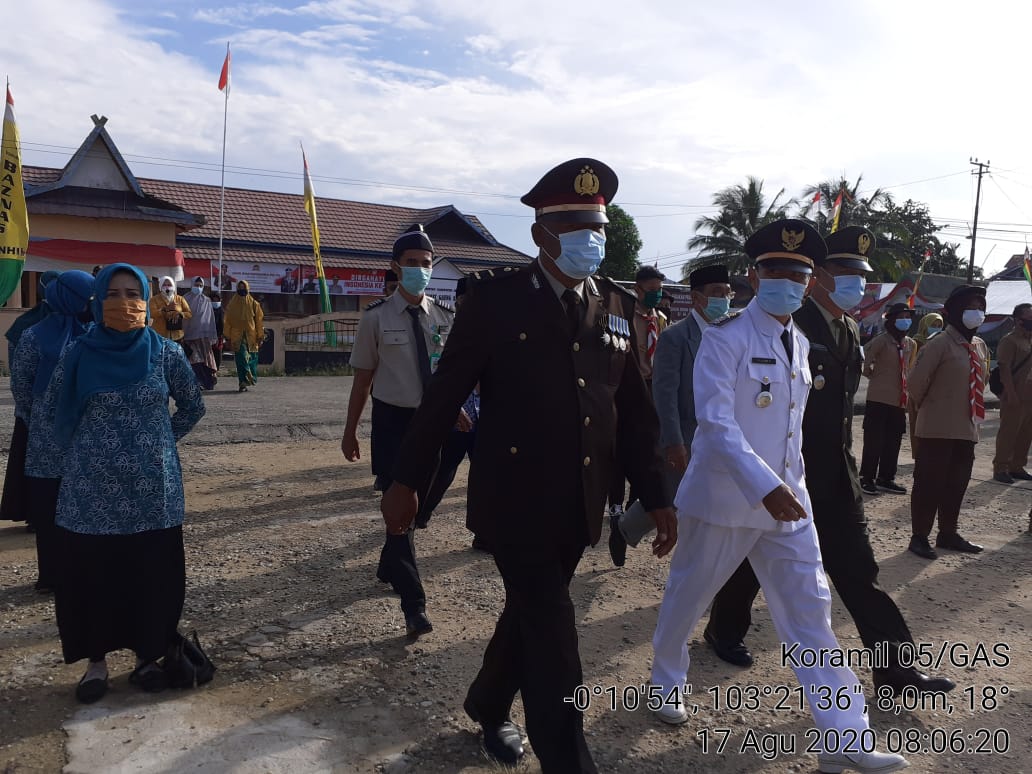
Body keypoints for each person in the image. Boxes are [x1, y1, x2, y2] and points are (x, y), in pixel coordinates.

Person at [382, 158, 675, 773]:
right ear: (542, 234)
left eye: (598, 225)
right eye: (576, 227)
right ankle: (569, 761)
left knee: (532, 614)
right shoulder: (496, 303)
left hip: (581, 501)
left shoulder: (617, 305)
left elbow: (635, 412)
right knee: (555, 638)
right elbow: (441, 399)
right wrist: (408, 480)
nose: (592, 238)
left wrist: (658, 494)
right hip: (516, 502)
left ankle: (487, 702)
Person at [650, 220, 908, 774]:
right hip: (726, 500)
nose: (788, 281)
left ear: (811, 281)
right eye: (776, 271)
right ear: (754, 275)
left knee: (810, 613)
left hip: (790, 503)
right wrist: (764, 486)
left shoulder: (800, 342)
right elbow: (716, 426)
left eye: (799, 273)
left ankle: (845, 739)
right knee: (688, 597)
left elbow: (790, 428)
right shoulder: (724, 341)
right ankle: (665, 680)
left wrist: (787, 489)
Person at [705, 226, 954, 699]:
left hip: (836, 474)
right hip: (782, 473)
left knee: (859, 570)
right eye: (842, 272)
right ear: (816, 276)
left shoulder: (850, 329)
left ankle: (896, 672)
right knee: (747, 564)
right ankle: (723, 629)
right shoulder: (789, 324)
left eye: (858, 275)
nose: (853, 284)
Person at [45, 263, 204, 703]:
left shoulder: (165, 354)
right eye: (112, 294)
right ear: (96, 301)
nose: (123, 303)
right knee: (93, 577)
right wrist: (81, 454)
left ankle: (148, 657)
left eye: (132, 293)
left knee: (151, 577)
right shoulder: (77, 353)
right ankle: (96, 663)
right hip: (89, 493)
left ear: (145, 299)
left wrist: (160, 443)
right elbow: (52, 410)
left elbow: (193, 406)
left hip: (154, 493)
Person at [341, 225, 462, 638]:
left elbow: (448, 375)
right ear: (396, 267)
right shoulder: (375, 318)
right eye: (412, 264)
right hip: (393, 423)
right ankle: (414, 604)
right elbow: (362, 381)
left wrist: (457, 407)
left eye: (426, 265)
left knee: (411, 511)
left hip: (433, 423)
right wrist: (350, 430)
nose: (420, 271)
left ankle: (389, 560)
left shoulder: (444, 318)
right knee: (401, 508)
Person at [10, 271, 95, 592]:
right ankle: (52, 578)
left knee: (84, 513)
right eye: (88, 297)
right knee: (49, 516)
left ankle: (79, 576)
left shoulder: (95, 335)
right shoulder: (34, 337)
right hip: (51, 447)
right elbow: (21, 387)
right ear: (72, 298)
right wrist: (42, 418)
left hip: (79, 445)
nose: (93, 303)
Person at [907, 284, 989, 559]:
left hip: (967, 429)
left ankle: (948, 533)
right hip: (937, 428)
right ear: (954, 312)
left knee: (956, 483)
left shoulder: (979, 346)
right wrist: (934, 409)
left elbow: (982, 381)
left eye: (980, 308)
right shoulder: (939, 343)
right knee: (929, 484)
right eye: (970, 308)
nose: (976, 314)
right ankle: (919, 537)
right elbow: (916, 385)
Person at [606, 265, 667, 566]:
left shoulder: (661, 320)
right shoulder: (623, 316)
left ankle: (630, 514)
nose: (656, 293)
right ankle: (615, 510)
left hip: (652, 390)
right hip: (625, 390)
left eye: (659, 288)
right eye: (651, 289)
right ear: (638, 289)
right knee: (618, 453)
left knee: (647, 453)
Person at [1, 270, 61, 528]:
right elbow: (20, 376)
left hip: (49, 411)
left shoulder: (78, 322)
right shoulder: (29, 328)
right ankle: (38, 513)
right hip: (35, 410)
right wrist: (33, 411)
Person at [859, 302, 916, 494]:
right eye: (900, 318)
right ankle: (866, 477)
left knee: (893, 441)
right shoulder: (882, 341)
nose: (905, 321)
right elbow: (863, 358)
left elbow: (909, 368)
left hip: (899, 400)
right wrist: (872, 375)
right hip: (878, 398)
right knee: (874, 440)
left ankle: (886, 477)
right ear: (891, 320)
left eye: (907, 317)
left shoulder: (909, 344)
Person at [991, 303, 1032, 483]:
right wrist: (1010, 393)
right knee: (1009, 432)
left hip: (1029, 395)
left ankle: (1017, 466)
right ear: (1018, 321)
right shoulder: (1009, 341)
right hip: (1014, 394)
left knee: (1025, 433)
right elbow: (1005, 369)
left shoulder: (1029, 340)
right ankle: (1001, 467)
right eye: (1029, 318)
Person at [908, 311, 944, 457]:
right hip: (918, 389)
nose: (936, 328)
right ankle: (918, 453)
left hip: (936, 391)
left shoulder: (942, 343)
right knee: (917, 423)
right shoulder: (916, 342)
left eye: (939, 325)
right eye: (932, 325)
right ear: (924, 326)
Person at [223, 280, 265, 392]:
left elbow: (259, 321)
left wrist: (260, 336)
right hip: (237, 337)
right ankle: (242, 382)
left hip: (251, 337)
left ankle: (247, 381)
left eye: (244, 287)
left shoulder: (254, 304)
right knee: (242, 359)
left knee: (252, 359)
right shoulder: (232, 305)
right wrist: (227, 337)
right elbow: (227, 321)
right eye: (240, 287)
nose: (242, 289)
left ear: (248, 288)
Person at [181, 277, 220, 390]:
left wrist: (212, 334)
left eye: (200, 286)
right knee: (194, 360)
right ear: (191, 285)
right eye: (196, 285)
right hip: (189, 336)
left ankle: (208, 382)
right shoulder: (185, 299)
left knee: (205, 360)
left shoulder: (206, 300)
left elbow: (210, 318)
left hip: (203, 336)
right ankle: (198, 382)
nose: (198, 287)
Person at [148, 275, 192, 343]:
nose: (167, 287)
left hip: (177, 335)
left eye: (169, 285)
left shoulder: (180, 299)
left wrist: (180, 314)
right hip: (160, 335)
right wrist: (165, 309)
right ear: (160, 286)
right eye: (164, 285)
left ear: (173, 286)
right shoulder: (154, 299)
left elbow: (189, 314)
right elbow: (151, 314)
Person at [210, 292, 226, 370]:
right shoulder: (208, 310)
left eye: (217, 300)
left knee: (218, 351)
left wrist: (221, 335)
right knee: (210, 352)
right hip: (209, 335)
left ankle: (217, 367)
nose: (215, 302)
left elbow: (223, 324)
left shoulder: (221, 311)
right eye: (214, 300)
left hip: (219, 335)